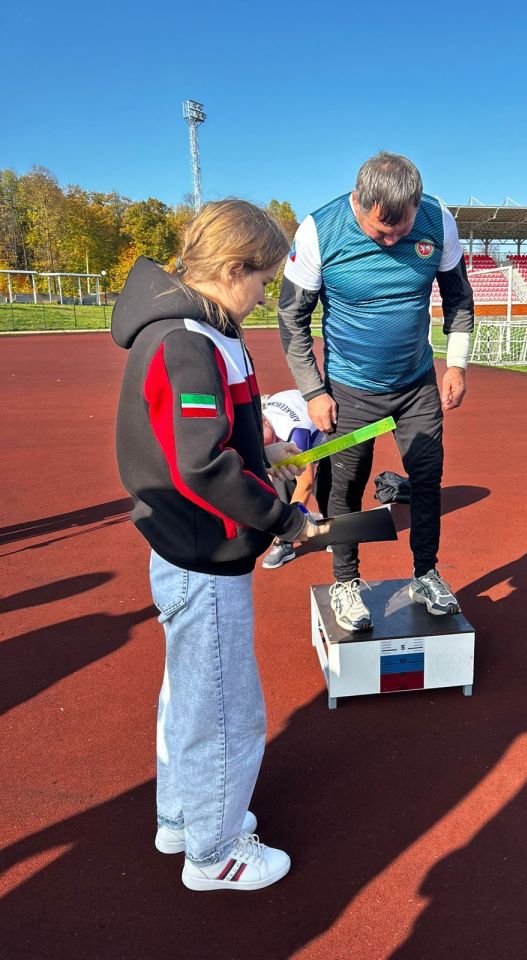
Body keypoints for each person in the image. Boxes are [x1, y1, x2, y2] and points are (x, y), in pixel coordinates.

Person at [112, 199, 329, 891]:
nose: (266, 295)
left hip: (189, 546)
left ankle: (182, 818)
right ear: (233, 269)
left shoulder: (202, 330)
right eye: (262, 281)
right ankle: (215, 851)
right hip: (203, 551)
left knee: (192, 697)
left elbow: (211, 444)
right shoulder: (186, 339)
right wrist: (284, 520)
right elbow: (201, 466)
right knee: (227, 707)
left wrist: (263, 453)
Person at [278, 152, 474, 631]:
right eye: (380, 231)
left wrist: (457, 365)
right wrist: (313, 391)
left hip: (416, 385)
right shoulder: (318, 231)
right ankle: (347, 582)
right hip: (349, 389)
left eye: (401, 229)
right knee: (345, 486)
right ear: (357, 202)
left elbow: (459, 299)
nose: (392, 241)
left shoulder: (438, 220)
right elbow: (291, 319)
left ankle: (426, 573)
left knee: (427, 481)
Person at [261, 389, 332, 568]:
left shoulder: (294, 433)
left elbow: (306, 483)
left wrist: (291, 524)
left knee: (328, 482)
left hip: (327, 430)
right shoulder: (260, 417)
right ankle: (287, 541)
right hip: (299, 412)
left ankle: (329, 530)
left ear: (266, 424)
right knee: (280, 472)